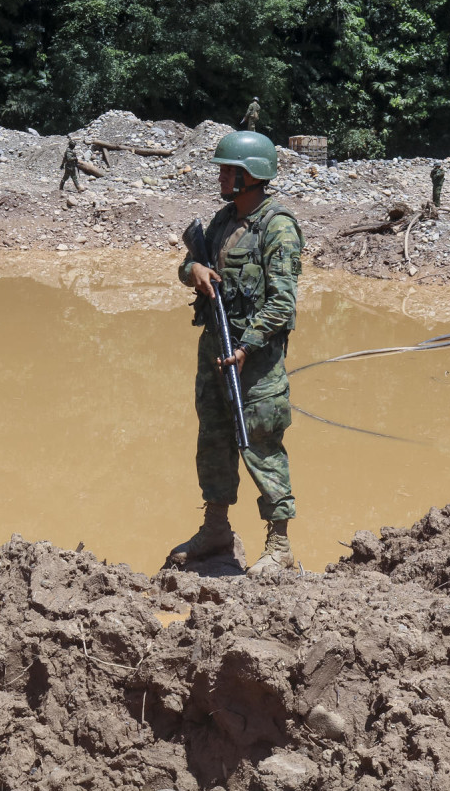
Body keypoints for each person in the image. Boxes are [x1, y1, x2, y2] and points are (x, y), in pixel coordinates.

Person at [169, 130, 304, 577]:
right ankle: (216, 528)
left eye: (230, 170)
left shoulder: (278, 227)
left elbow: (282, 303)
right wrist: (196, 271)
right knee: (214, 440)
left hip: (255, 362)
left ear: (253, 176)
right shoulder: (223, 220)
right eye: (224, 169)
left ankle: (279, 543)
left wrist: (247, 346)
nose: (223, 177)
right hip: (215, 351)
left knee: (260, 444)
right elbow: (185, 266)